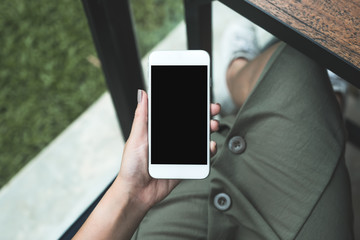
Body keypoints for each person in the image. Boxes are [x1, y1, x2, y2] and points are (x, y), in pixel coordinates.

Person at [74, 21, 354, 240]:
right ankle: (328, 100)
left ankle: (237, 73)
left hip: (162, 218)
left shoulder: (143, 189)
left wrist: (131, 193)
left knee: (301, 75)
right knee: (299, 68)